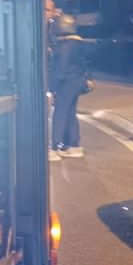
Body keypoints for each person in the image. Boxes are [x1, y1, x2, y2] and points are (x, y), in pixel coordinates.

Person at [48, 12, 89, 159]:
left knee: (59, 113)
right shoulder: (77, 43)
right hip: (76, 81)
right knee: (70, 113)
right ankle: (74, 145)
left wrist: (53, 89)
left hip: (66, 82)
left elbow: (60, 69)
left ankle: (53, 147)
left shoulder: (65, 46)